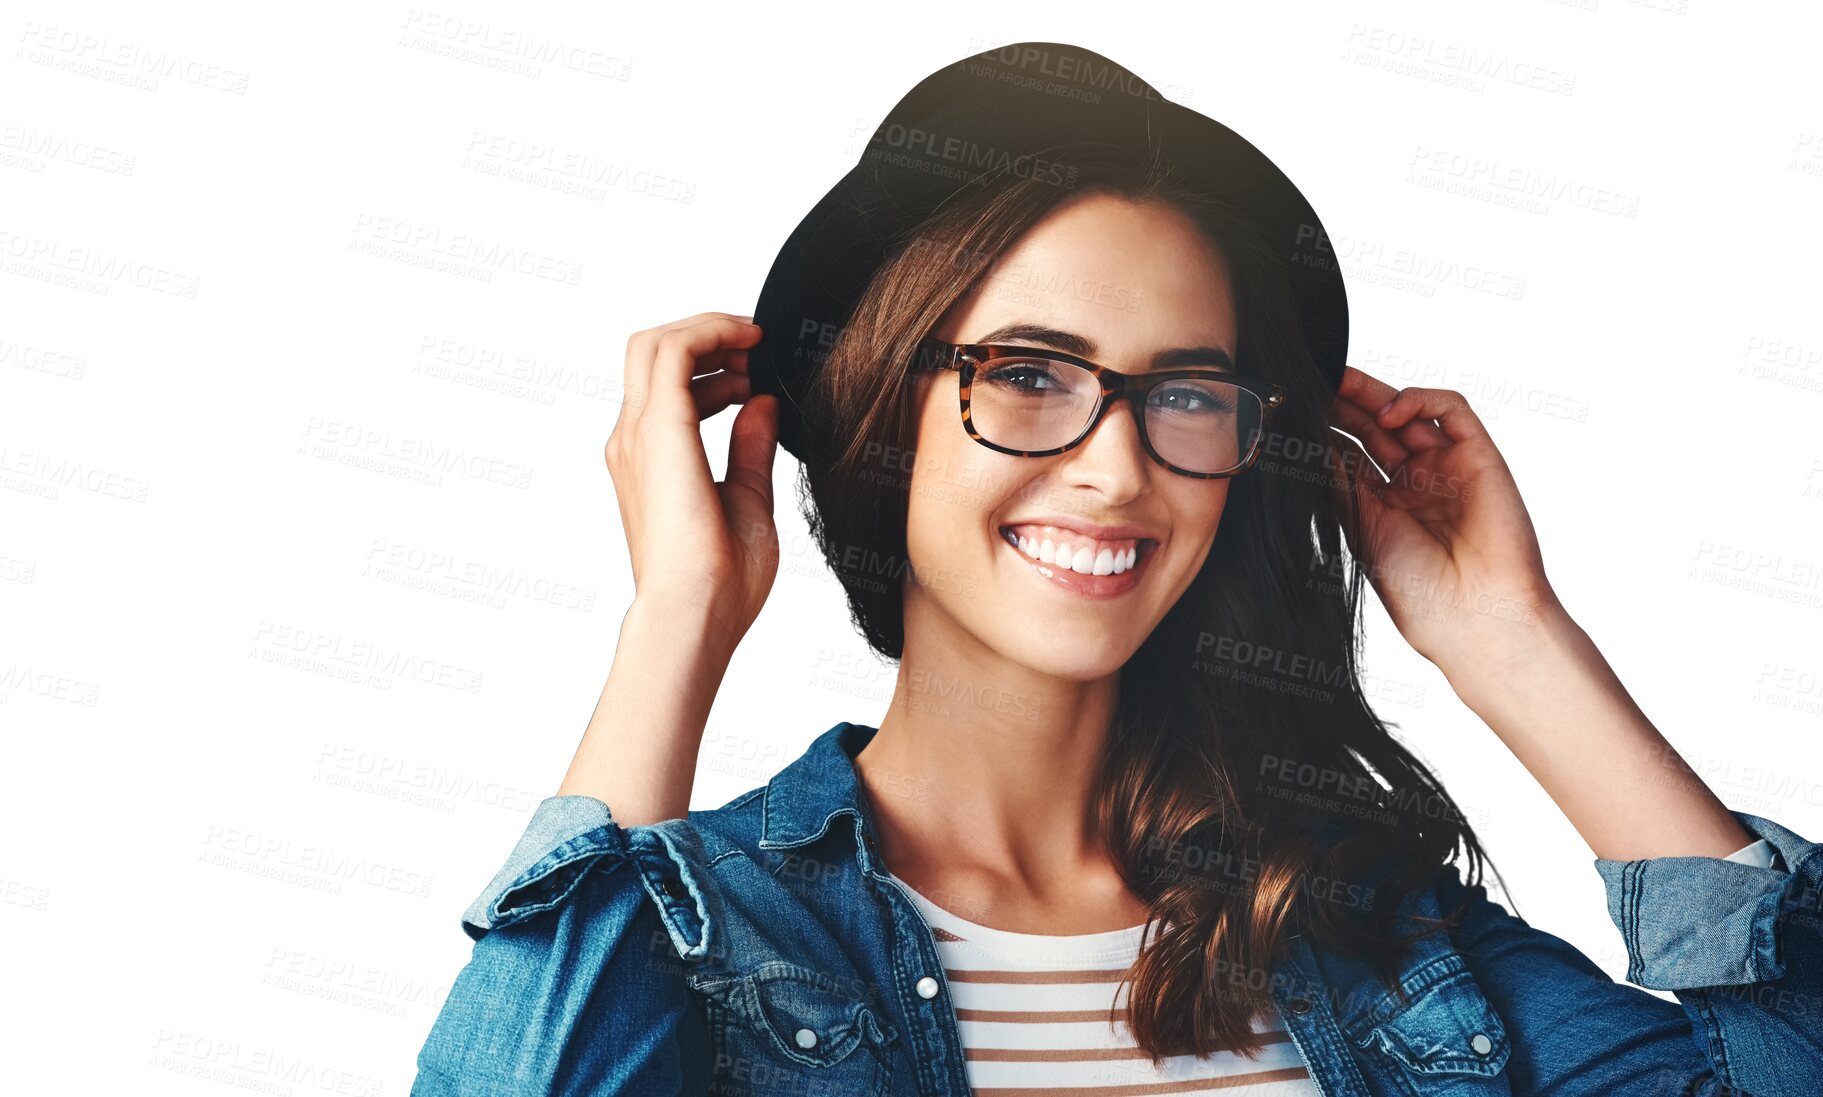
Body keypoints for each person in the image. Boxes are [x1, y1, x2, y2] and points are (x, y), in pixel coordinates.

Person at [410, 43, 1823, 1096]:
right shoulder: (707, 933)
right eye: (1028, 374)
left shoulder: (1360, 934)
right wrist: (675, 624)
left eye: (1187, 392)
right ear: (878, 404)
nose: (1116, 465)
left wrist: (1515, 645)